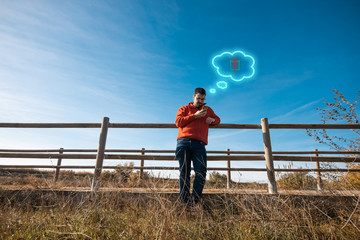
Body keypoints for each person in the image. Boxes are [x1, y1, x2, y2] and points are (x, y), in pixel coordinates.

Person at [175, 87, 221, 204]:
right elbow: (178, 122)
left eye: (202, 99)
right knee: (184, 172)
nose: (200, 101)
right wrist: (195, 116)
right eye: (198, 98)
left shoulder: (208, 109)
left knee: (201, 171)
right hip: (183, 142)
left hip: (199, 144)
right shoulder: (184, 108)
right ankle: (184, 202)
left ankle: (195, 200)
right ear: (193, 97)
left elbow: (218, 119)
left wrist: (212, 120)